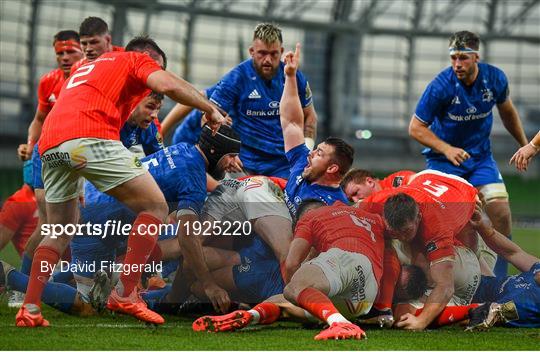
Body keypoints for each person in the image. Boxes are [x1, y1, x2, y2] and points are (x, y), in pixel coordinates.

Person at [15, 36, 224, 327]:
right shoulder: (135, 60)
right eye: (157, 67)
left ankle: (29, 309)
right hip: (87, 136)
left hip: (51, 144)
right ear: (148, 59)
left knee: (61, 229)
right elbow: (168, 85)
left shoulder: (91, 66)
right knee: (155, 206)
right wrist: (209, 108)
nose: (155, 77)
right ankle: (125, 293)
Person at [408, 30, 528, 277]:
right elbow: (415, 128)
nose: (457, 64)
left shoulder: (495, 79)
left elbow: (507, 112)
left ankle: (500, 279)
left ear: (476, 57)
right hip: (444, 162)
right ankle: (438, 275)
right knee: (447, 221)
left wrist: (525, 144)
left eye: (463, 58)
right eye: (453, 58)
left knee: (501, 213)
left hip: (481, 160)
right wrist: (447, 149)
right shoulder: (440, 86)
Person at [194, 199, 387, 341]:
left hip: (347, 264)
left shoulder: (311, 219)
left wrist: (294, 286)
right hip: (363, 298)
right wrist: (386, 308)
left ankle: (339, 323)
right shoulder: (363, 217)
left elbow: (291, 263)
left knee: (292, 290)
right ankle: (251, 316)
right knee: (282, 303)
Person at [359, 170, 481, 330]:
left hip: (463, 191)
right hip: (428, 178)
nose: (401, 236)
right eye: (395, 232)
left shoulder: (436, 225)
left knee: (401, 312)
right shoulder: (377, 201)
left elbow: (446, 286)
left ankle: (473, 308)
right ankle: (478, 306)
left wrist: (421, 321)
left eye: (406, 231)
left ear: (419, 217)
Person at [15, 30, 83, 278]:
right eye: (59, 53)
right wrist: (30, 143)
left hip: (78, 156)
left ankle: (58, 281)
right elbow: (39, 118)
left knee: (74, 226)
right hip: (46, 154)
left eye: (70, 51)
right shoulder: (48, 81)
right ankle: (22, 284)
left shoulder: (89, 79)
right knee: (49, 225)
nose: (64, 57)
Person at [209, 23, 318, 178]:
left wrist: (304, 154)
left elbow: (310, 118)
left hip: (284, 164)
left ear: (281, 51)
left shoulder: (294, 76)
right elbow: (208, 118)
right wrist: (226, 153)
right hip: (243, 164)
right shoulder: (236, 78)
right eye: (262, 53)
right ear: (251, 52)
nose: (267, 60)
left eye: (273, 54)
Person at [280, 44, 353, 218]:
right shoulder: (302, 164)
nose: (311, 154)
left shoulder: (336, 208)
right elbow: (291, 123)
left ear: (332, 168)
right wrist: (290, 76)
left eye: (319, 153)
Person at [120, 92, 164, 157]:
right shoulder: (113, 120)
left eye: (158, 109)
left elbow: (161, 158)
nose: (155, 115)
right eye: (150, 107)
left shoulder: (151, 127)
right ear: (133, 102)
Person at [341, 169, 416, 203]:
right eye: (351, 200)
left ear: (369, 182)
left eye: (355, 193)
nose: (356, 200)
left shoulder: (398, 179)